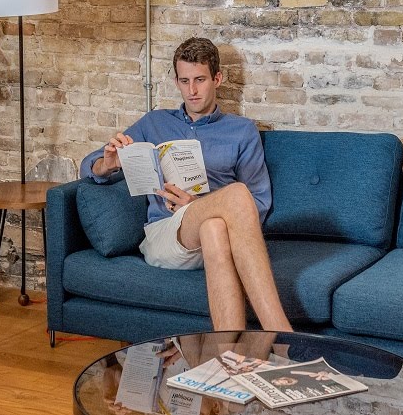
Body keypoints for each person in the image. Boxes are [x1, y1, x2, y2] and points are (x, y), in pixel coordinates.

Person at [81, 37, 292, 333]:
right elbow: (88, 166)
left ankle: (228, 352)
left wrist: (198, 206)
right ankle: (283, 337)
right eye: (184, 81)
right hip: (166, 233)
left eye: (200, 80)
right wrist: (108, 163)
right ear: (177, 82)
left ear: (217, 79)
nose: (192, 90)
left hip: (217, 237)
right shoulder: (154, 123)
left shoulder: (242, 131)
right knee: (235, 194)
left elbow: (258, 202)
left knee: (214, 226)